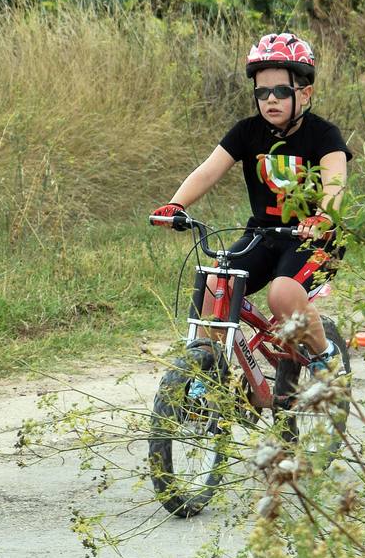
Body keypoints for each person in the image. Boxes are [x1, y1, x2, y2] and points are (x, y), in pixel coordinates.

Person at [150, 32, 351, 379]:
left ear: (304, 93)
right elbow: (207, 171)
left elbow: (335, 182)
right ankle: (208, 370)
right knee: (217, 283)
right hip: (263, 235)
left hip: (315, 239)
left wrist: (323, 217)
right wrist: (175, 204)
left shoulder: (324, 135)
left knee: (283, 294)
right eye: (262, 92)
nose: (270, 99)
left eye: (281, 91)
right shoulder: (246, 132)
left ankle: (326, 358)